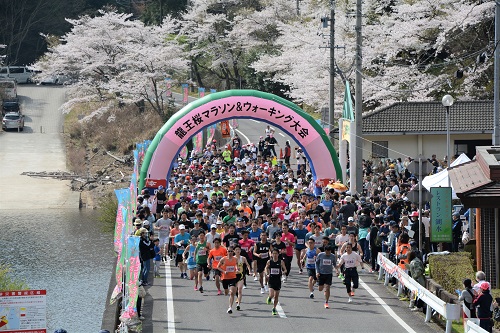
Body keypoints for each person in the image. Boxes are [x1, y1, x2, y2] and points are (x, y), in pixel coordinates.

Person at [265, 248, 287, 316]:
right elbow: (266, 268)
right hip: (271, 279)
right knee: (271, 294)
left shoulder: (281, 262)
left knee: (276, 296)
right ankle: (269, 297)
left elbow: (285, 269)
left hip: (278, 280)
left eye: (276, 253)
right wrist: (267, 274)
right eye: (273, 253)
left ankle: (274, 308)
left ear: (278, 254)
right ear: (271, 254)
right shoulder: (269, 261)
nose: (274, 255)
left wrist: (284, 272)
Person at [217, 246, 239, 314]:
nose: (230, 252)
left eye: (231, 251)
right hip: (225, 278)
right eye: (229, 251)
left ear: (233, 252)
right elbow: (218, 267)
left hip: (232, 277)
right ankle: (226, 291)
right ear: (227, 252)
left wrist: (237, 269)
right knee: (226, 291)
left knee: (232, 292)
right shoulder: (223, 259)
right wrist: (224, 271)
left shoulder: (235, 259)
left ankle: (230, 307)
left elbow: (236, 265)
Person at [234, 245, 252, 311]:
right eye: (236, 250)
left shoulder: (243, 258)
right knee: (234, 290)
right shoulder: (232, 258)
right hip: (233, 276)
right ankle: (237, 297)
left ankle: (238, 304)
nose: (238, 251)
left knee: (240, 289)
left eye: (239, 250)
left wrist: (249, 271)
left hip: (241, 275)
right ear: (234, 251)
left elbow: (248, 265)